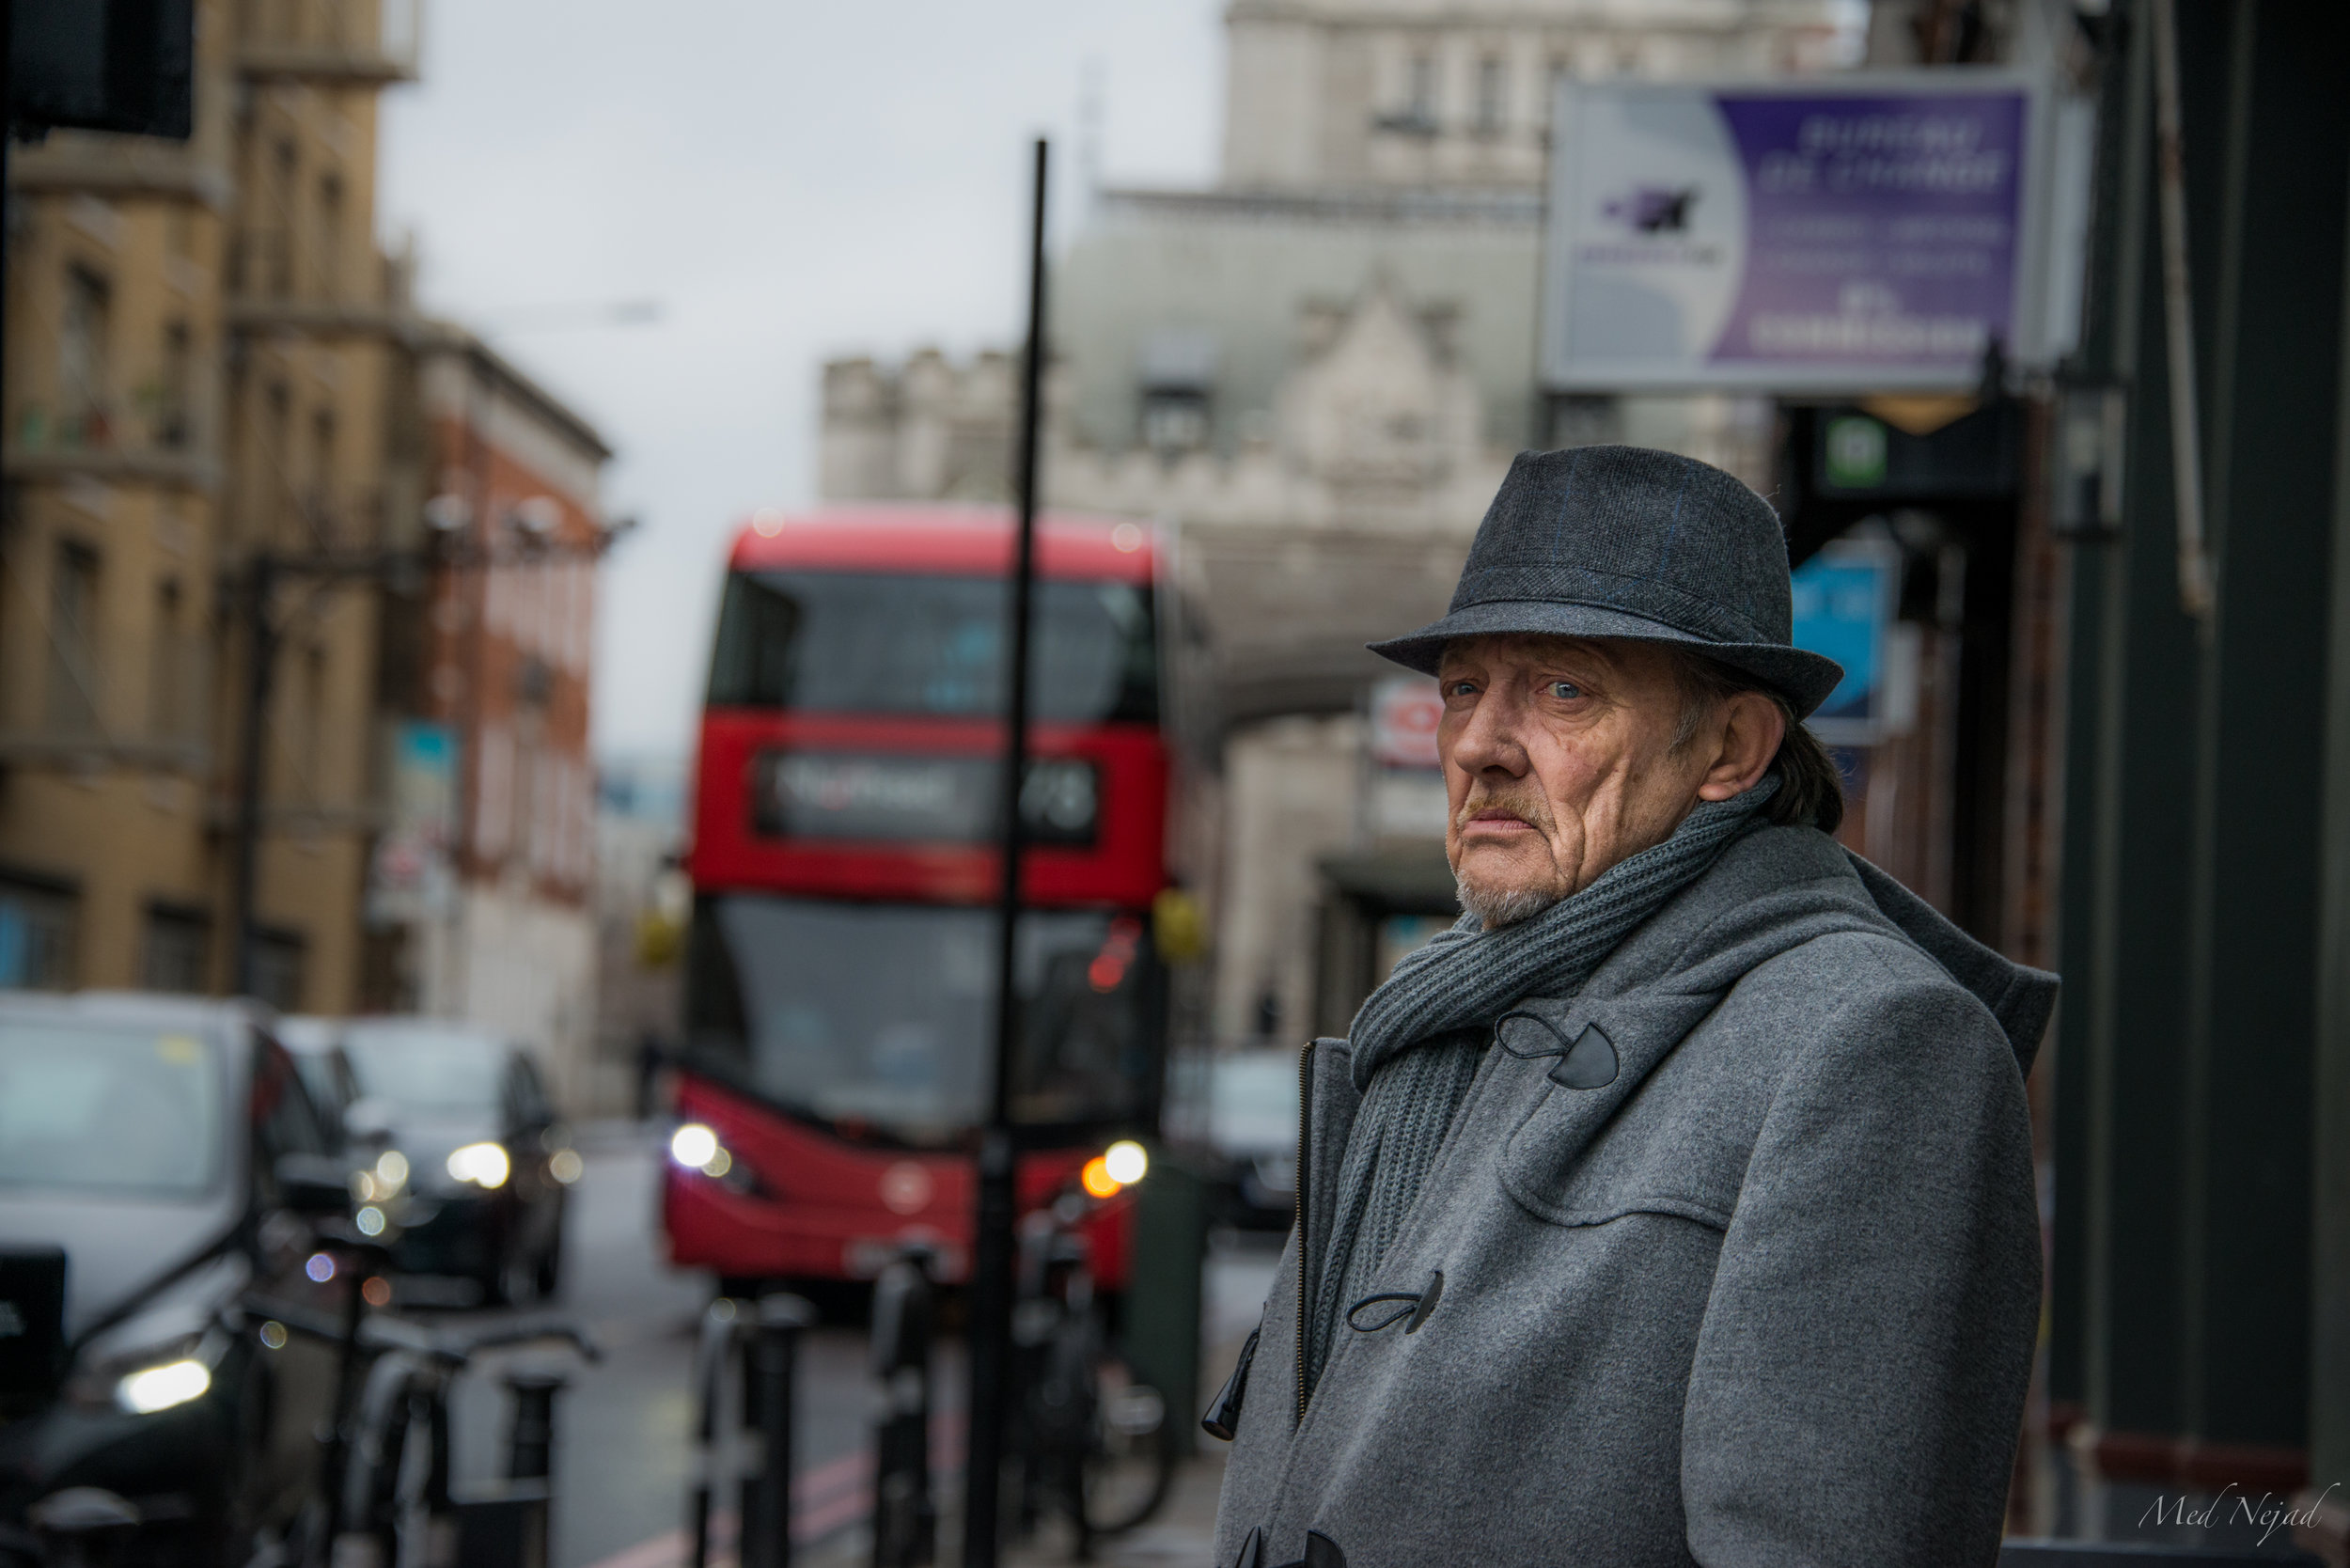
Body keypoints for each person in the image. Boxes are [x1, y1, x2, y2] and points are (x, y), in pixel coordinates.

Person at [1205, 446, 2050, 1568]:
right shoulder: (1435, 1017)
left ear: (1730, 748)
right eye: (1462, 687)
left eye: (1562, 689)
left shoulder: (1872, 1044)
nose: (1476, 746)